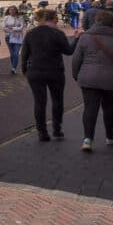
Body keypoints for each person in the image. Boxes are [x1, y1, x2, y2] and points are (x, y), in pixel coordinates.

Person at [72, 9, 113, 151]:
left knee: (89, 108)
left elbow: (76, 59)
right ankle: (110, 137)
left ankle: (87, 139)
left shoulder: (85, 37)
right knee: (110, 109)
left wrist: (76, 75)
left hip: (88, 78)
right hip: (112, 80)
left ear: (97, 21)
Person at [20, 8, 80, 141]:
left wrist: (24, 69)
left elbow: (24, 54)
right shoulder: (58, 33)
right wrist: (76, 39)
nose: (57, 20)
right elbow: (69, 51)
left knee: (39, 102)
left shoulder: (31, 33)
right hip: (55, 71)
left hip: (35, 71)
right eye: (56, 18)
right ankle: (57, 130)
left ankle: (42, 132)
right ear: (53, 19)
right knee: (57, 100)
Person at [2, 6, 26, 75]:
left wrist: (12, 27)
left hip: (17, 38)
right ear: (8, 11)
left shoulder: (20, 18)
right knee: (12, 54)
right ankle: (13, 66)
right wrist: (14, 29)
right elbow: (4, 28)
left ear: (16, 11)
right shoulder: (6, 18)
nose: (12, 11)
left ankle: (13, 68)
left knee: (16, 53)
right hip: (8, 37)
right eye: (10, 10)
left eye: (13, 10)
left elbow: (21, 28)